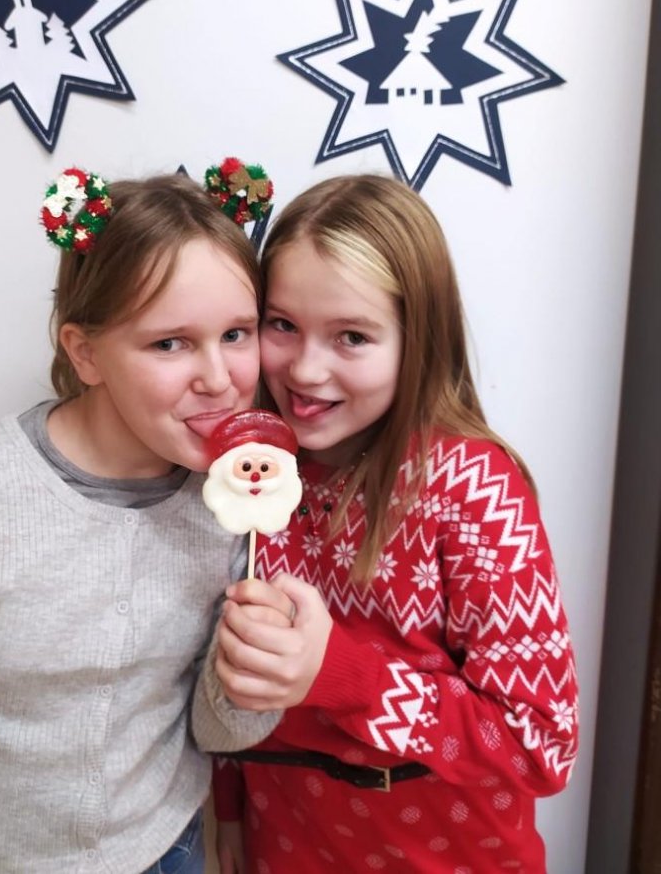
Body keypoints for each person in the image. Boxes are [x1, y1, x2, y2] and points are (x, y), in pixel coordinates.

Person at [0, 169, 282, 874]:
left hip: (166, 852)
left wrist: (254, 682)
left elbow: (217, 733)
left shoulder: (235, 508)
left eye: (236, 333)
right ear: (85, 352)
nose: (220, 378)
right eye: (170, 343)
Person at [194, 174, 579, 874]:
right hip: (284, 843)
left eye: (352, 336)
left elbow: (540, 744)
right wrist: (228, 810)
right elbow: (227, 670)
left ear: (416, 339)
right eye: (283, 325)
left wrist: (340, 673)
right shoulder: (249, 475)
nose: (306, 370)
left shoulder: (472, 488)